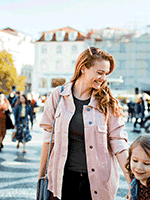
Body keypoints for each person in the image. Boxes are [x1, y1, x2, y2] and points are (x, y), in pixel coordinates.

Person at [38, 47, 131, 200]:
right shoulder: (58, 96)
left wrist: (131, 182)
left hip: (97, 183)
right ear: (83, 69)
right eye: (100, 72)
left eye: (106, 74)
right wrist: (41, 176)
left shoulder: (108, 104)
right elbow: (48, 140)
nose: (103, 78)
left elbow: (119, 144)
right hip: (62, 181)